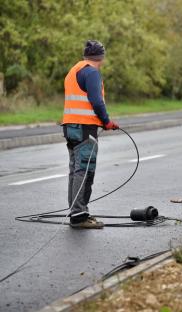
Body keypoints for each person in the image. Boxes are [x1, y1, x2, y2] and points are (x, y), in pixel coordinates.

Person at [62, 40, 119, 229]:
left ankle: (77, 211)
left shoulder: (74, 70)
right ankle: (79, 216)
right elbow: (96, 101)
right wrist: (107, 121)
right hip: (85, 128)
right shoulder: (92, 73)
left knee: (75, 169)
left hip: (70, 126)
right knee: (85, 170)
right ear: (101, 57)